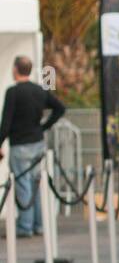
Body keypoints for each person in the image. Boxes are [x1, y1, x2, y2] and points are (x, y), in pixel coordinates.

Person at [0, 56, 66, 238]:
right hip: (37, 143)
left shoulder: (13, 92)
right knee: (36, 184)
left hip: (20, 145)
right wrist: (43, 127)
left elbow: (5, 123)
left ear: (15, 69)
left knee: (23, 184)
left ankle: (25, 225)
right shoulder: (39, 91)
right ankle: (39, 224)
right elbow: (60, 108)